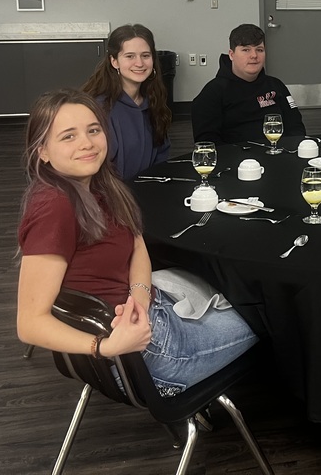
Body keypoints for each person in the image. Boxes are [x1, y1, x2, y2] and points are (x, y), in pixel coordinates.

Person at [16, 89, 258, 397]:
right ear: (43, 152)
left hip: (148, 316)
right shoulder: (55, 206)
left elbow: (137, 244)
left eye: (93, 130)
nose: (87, 143)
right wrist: (103, 347)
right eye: (68, 137)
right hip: (146, 355)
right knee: (271, 317)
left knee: (243, 295)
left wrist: (140, 298)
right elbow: (29, 324)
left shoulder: (101, 185)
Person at [191, 23, 306, 144]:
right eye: (246, 50)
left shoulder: (276, 85)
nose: (254, 55)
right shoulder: (212, 93)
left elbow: (295, 126)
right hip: (234, 159)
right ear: (231, 55)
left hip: (278, 154)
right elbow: (207, 143)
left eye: (259, 50)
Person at [82, 24, 171, 181]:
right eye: (130, 56)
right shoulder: (99, 108)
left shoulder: (153, 101)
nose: (139, 63)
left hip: (147, 191)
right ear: (114, 61)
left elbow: (162, 154)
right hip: (112, 198)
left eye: (145, 55)